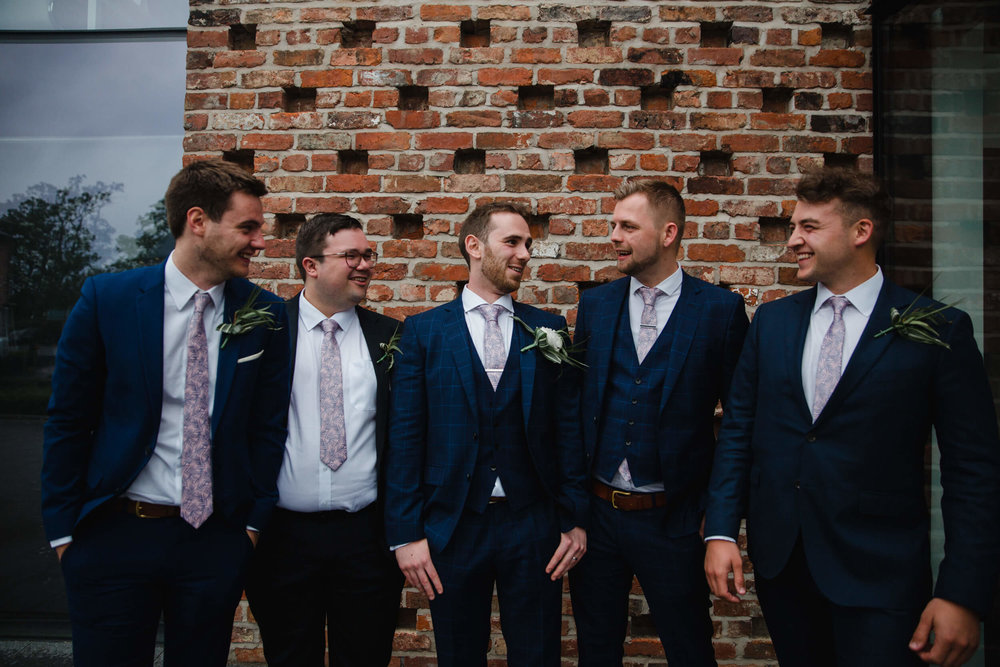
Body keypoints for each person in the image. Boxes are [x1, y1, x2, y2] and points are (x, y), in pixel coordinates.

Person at [704, 168, 1000, 667]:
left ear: (861, 232)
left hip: (881, 573)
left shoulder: (940, 328)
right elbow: (738, 431)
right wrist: (721, 531)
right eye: (795, 226)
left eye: (810, 227)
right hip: (786, 568)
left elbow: (973, 470)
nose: (794, 240)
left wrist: (962, 593)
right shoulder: (773, 323)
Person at [40, 158, 291, 666]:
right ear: (197, 222)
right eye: (248, 227)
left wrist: (250, 528)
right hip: (113, 535)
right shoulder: (106, 299)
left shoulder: (264, 314)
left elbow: (268, 428)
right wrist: (65, 532)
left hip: (213, 541)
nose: (260, 241)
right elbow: (68, 419)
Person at [384, 202, 589, 667]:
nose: (524, 255)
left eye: (528, 245)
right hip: (452, 527)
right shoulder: (423, 331)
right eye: (512, 242)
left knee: (538, 655)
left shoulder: (548, 328)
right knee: (459, 655)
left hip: (534, 525)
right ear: (474, 246)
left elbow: (568, 432)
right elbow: (405, 438)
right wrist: (405, 534)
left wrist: (575, 519)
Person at [568, 180, 749, 666]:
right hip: (599, 516)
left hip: (675, 520)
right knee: (595, 650)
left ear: (668, 233)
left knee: (690, 647)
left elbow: (739, 423)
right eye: (612, 225)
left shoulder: (720, 311)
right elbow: (577, 408)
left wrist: (721, 520)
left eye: (627, 226)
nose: (613, 236)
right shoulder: (597, 305)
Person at [245, 214, 403, 667]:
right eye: (351, 255)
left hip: (367, 540)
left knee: (367, 657)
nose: (366, 265)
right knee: (290, 656)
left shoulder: (392, 337)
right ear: (310, 265)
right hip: (282, 540)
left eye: (368, 255)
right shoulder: (267, 330)